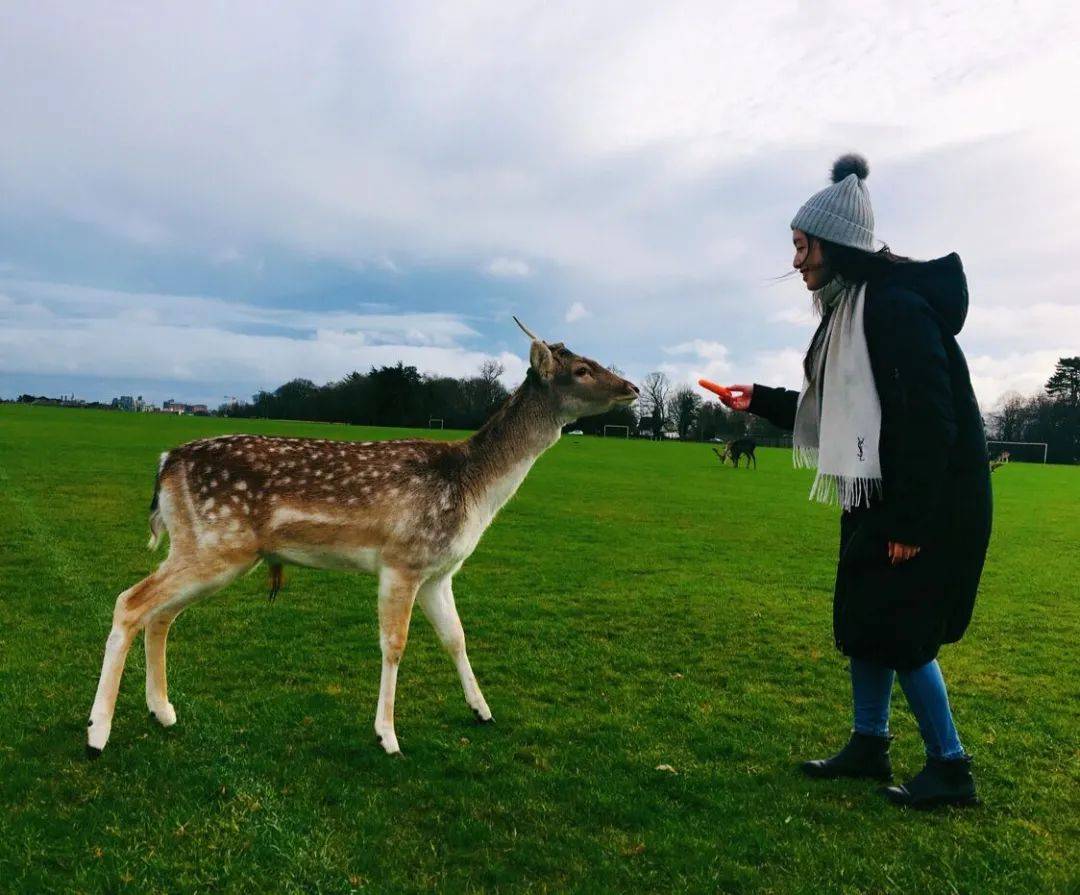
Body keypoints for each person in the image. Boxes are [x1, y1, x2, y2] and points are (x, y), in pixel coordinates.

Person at [718, 154, 992, 809]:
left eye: (801, 246)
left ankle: (950, 767)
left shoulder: (894, 310)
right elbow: (837, 409)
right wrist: (759, 398)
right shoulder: (852, 310)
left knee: (903, 630)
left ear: (833, 245)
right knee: (867, 618)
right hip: (876, 492)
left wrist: (910, 521)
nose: (796, 261)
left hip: (921, 501)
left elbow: (932, 421)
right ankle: (869, 742)